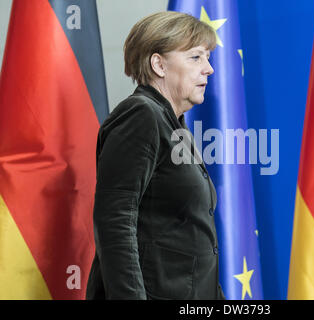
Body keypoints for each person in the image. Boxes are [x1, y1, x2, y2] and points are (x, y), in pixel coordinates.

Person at [85, 11, 225, 300]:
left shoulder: (172, 124)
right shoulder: (142, 115)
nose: (209, 69)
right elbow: (116, 220)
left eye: (208, 57)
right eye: (196, 57)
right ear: (158, 64)